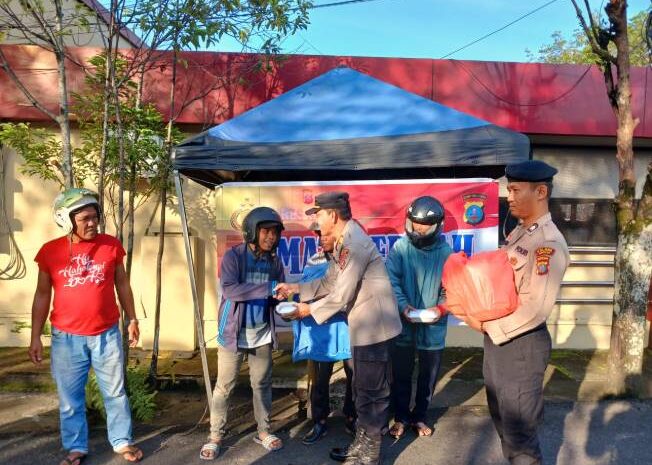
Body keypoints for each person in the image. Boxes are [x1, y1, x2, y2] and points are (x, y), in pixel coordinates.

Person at [275, 191, 402, 465]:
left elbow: (340, 296)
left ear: (332, 215)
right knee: (361, 390)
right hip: (363, 326)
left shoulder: (353, 244)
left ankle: (370, 454)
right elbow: (330, 283)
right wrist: (297, 288)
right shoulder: (344, 242)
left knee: (370, 393)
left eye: (319, 215)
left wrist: (305, 310)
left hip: (375, 329)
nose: (317, 222)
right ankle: (360, 445)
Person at [464, 160, 569, 465]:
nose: (508, 196)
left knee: (520, 433)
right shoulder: (521, 233)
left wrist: (485, 326)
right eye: (508, 189)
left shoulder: (547, 243)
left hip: (521, 344)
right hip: (501, 341)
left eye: (514, 190)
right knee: (503, 421)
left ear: (540, 192)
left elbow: (535, 310)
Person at [28, 188, 143, 465]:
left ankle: (122, 442)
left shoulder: (111, 245)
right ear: (67, 220)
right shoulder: (50, 252)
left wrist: (132, 318)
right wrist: (35, 336)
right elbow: (42, 294)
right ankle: (76, 447)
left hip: (106, 334)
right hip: (66, 338)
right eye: (85, 219)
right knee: (70, 398)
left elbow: (122, 284)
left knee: (115, 393)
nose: (93, 223)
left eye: (95, 217)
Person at [200, 207, 286, 460]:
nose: (271, 237)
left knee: (262, 385)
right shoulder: (233, 256)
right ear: (252, 231)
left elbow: (274, 297)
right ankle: (215, 435)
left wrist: (283, 302)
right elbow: (231, 290)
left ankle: (264, 431)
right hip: (232, 334)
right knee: (224, 387)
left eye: (275, 232)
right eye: (266, 231)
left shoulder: (275, 261)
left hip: (262, 334)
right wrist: (269, 288)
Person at [385, 196, 452, 439]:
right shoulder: (400, 248)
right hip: (403, 323)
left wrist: (441, 309)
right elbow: (391, 281)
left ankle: (421, 416)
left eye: (424, 224)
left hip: (433, 327)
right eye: (414, 222)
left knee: (428, 376)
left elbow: (452, 289)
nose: (418, 228)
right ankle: (401, 417)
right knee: (401, 374)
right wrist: (403, 307)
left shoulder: (446, 252)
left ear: (437, 225)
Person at [292, 225, 356, 445]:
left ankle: (352, 417)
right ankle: (319, 421)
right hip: (322, 329)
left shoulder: (349, 256)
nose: (322, 239)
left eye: (327, 234)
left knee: (355, 376)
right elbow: (307, 291)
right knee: (320, 380)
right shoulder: (314, 260)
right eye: (319, 235)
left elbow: (350, 294)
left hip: (348, 326)